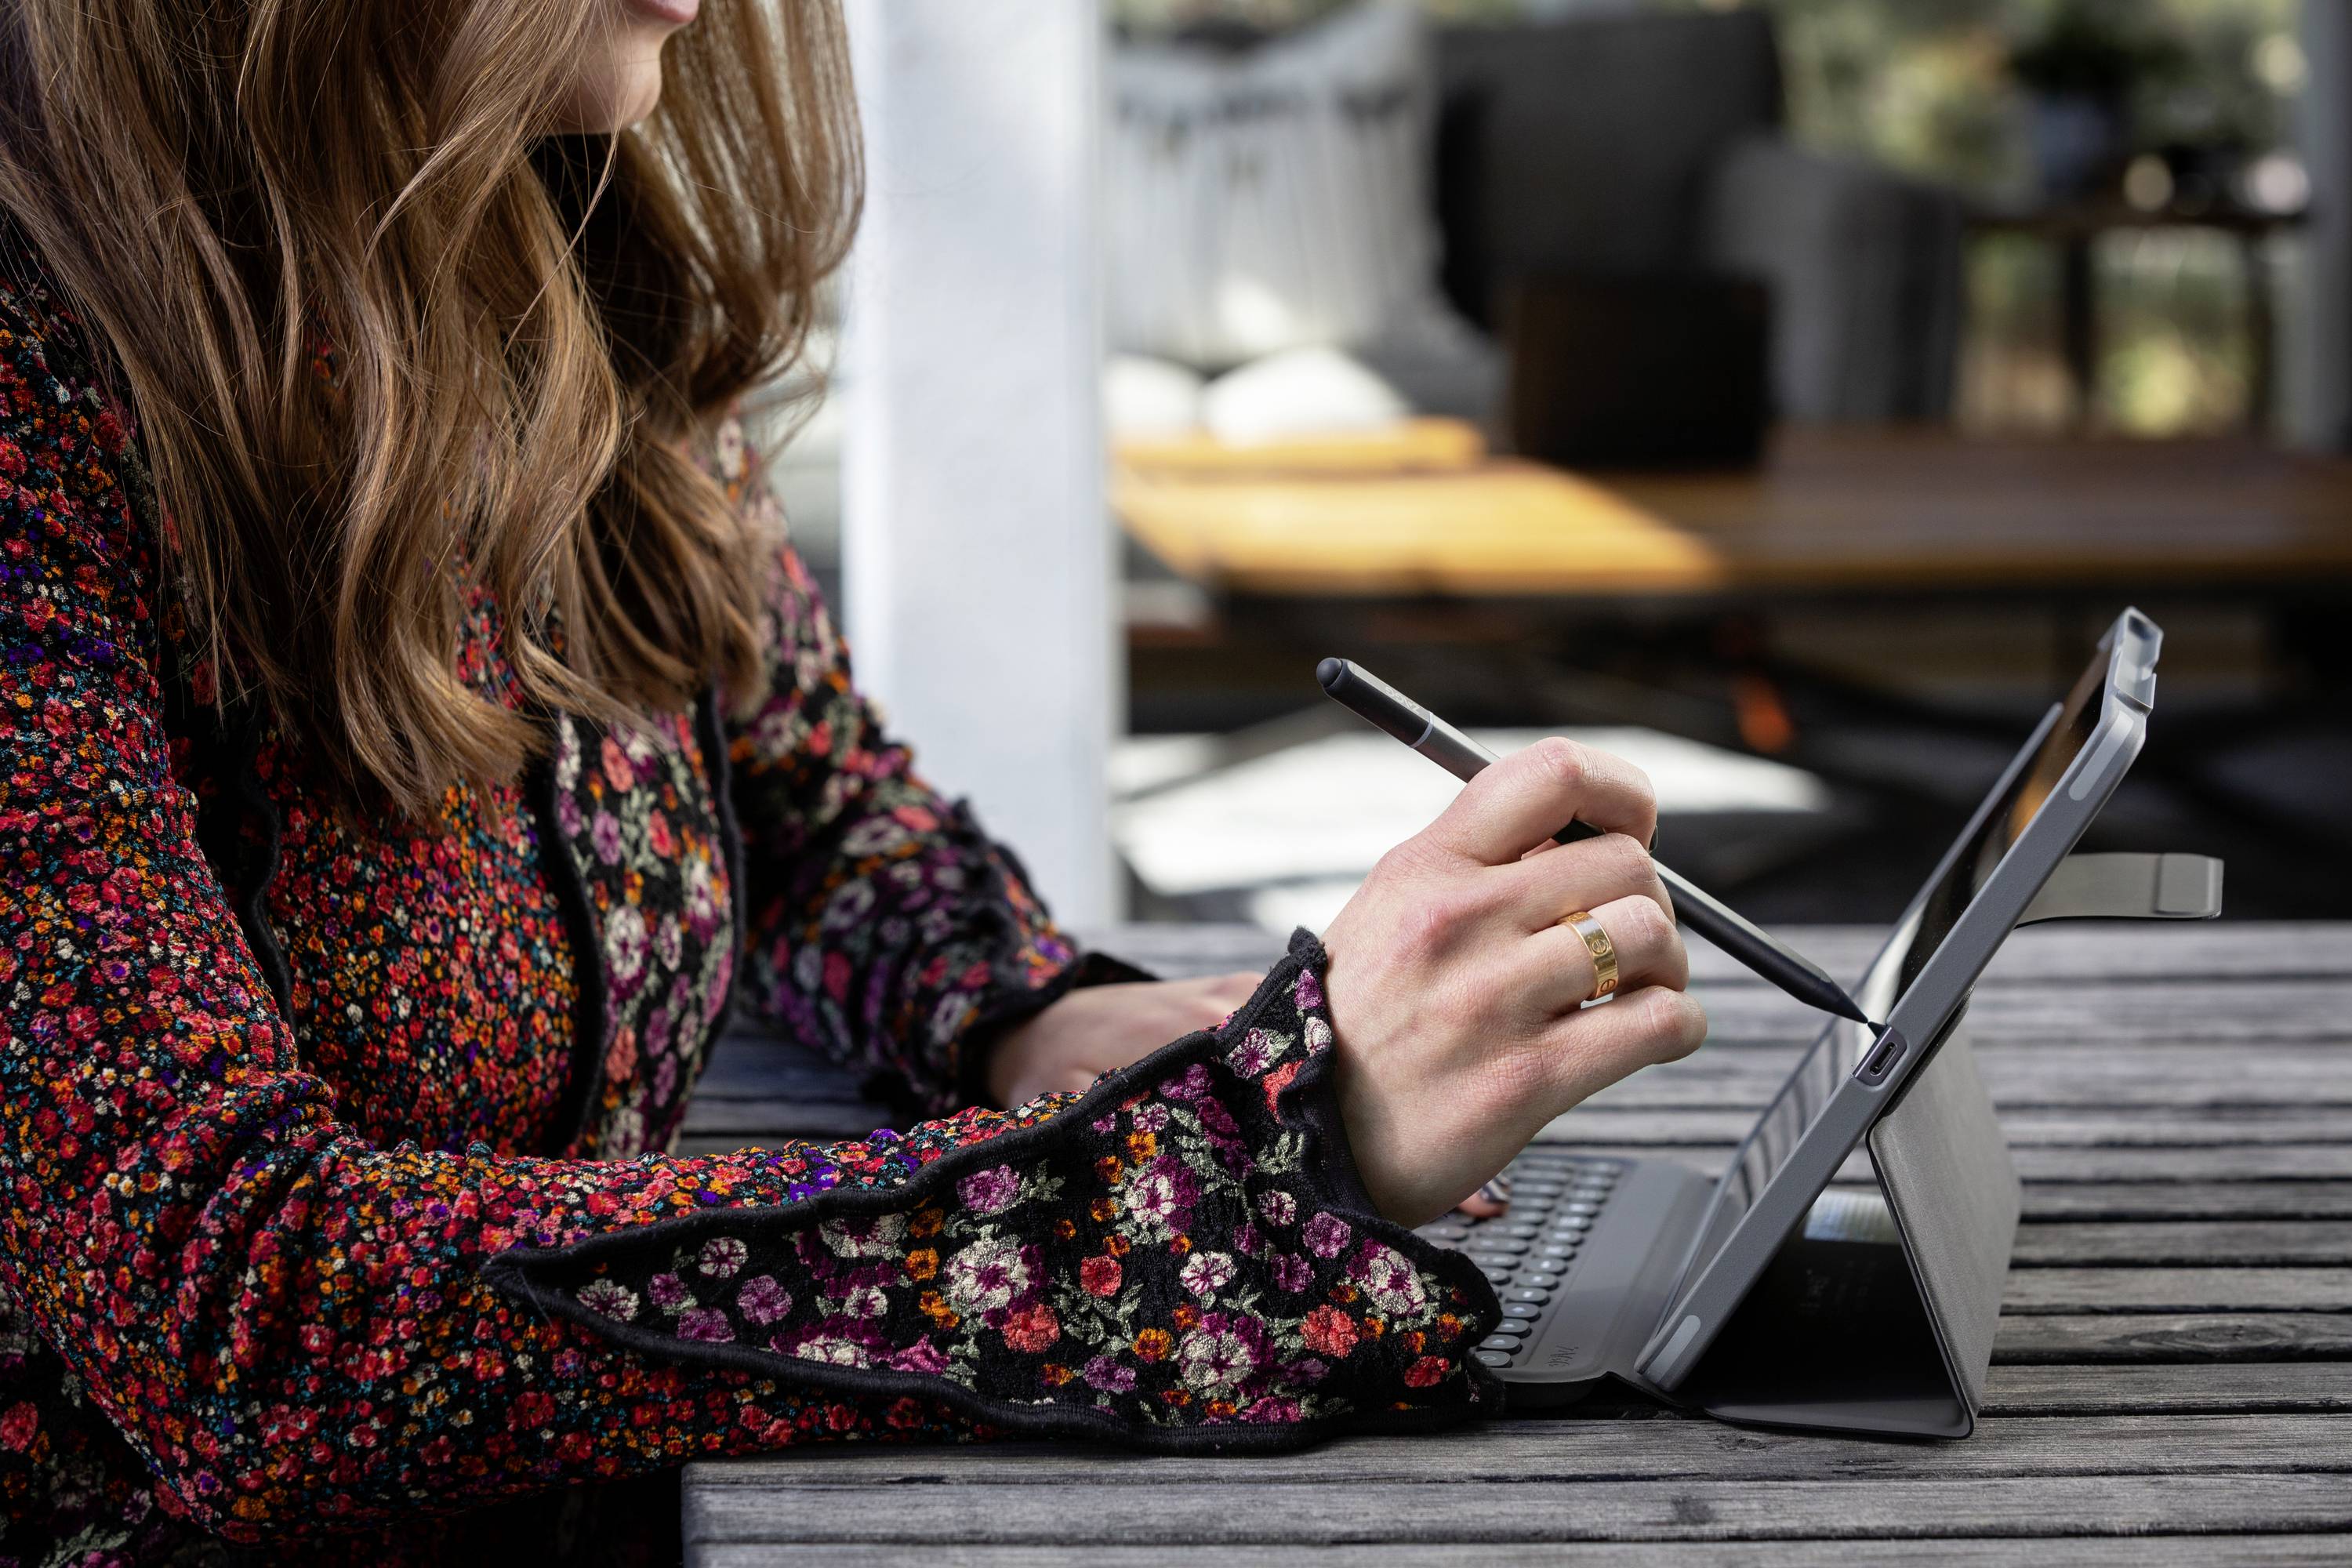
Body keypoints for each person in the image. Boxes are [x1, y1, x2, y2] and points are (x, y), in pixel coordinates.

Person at [0, 0, 1708, 1561]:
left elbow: (803, 805)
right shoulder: (37, 396)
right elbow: (239, 1318)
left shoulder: (554, 233)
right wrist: (1209, 1178)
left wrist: (1021, 1007)